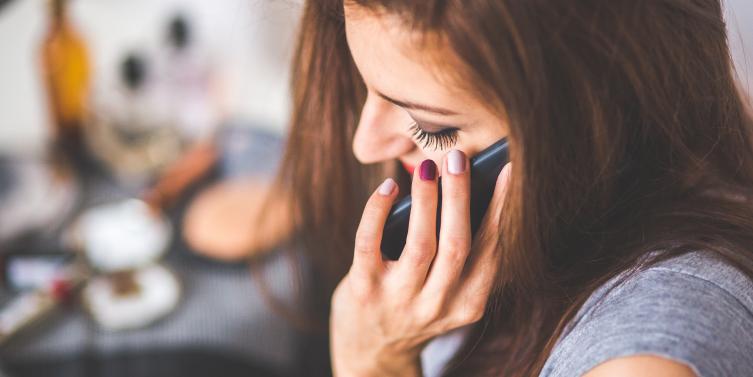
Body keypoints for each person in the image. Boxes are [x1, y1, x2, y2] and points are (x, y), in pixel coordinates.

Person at [262, 0, 753, 376]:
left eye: (430, 127)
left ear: (590, 129)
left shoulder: (640, 363)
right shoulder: (552, 234)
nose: (364, 145)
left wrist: (373, 360)